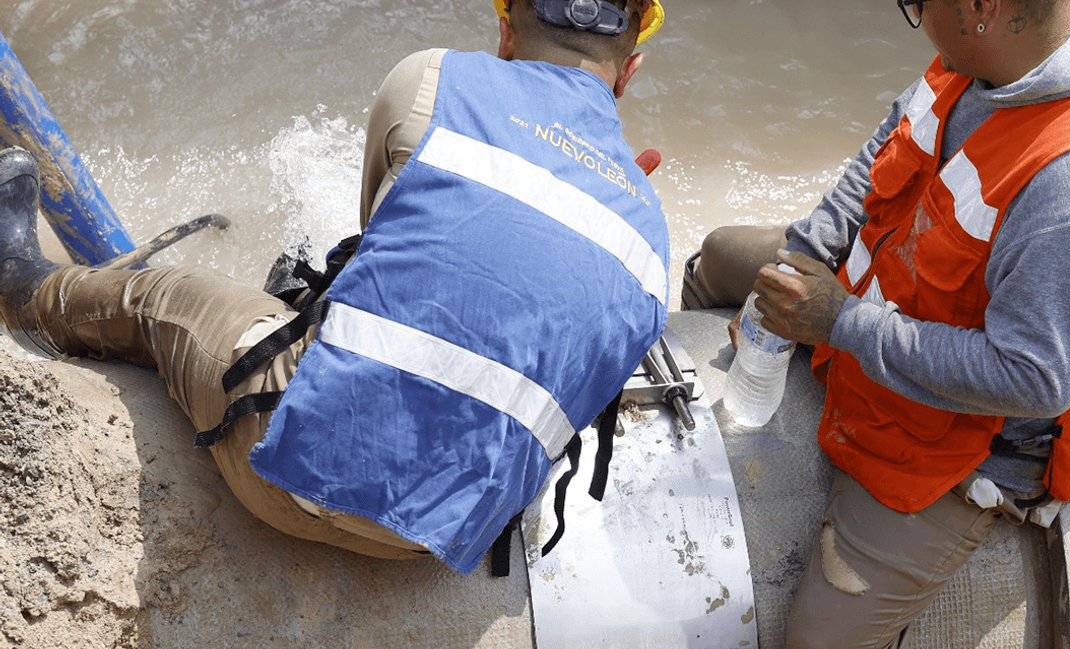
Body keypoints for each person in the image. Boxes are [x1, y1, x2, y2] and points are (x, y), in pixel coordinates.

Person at [0, 0, 670, 574]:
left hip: (300, 481)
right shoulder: (651, 237)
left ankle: (26, 289)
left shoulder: (433, 80)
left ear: (505, 31)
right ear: (630, 71)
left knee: (164, 297)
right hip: (447, 537)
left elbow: (383, 237)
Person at [684, 0, 1070, 649]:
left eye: (917, 3)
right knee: (722, 258)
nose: (914, 19)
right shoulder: (993, 58)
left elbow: (1033, 377)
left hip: (975, 439)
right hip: (893, 291)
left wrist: (842, 324)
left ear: (981, 7)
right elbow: (891, 144)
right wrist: (806, 255)